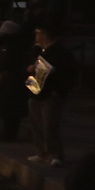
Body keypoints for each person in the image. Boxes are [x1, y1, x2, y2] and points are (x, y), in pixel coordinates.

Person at [25, 25, 74, 167]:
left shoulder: (59, 52)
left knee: (49, 125)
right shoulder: (38, 50)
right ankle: (42, 152)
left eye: (38, 33)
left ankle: (54, 153)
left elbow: (67, 73)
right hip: (36, 90)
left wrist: (58, 90)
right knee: (37, 124)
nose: (36, 36)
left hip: (50, 93)